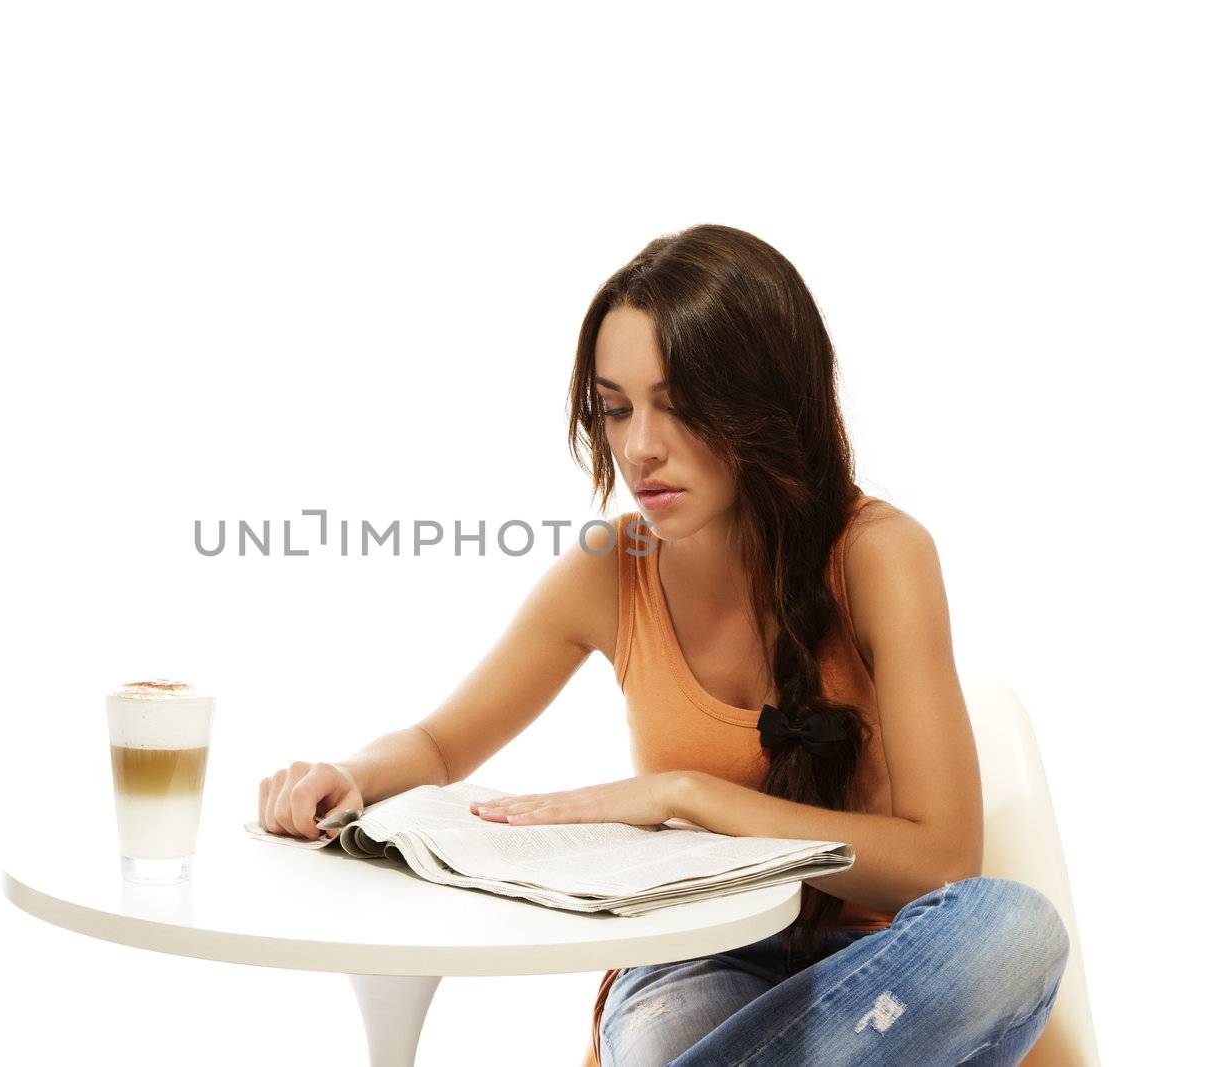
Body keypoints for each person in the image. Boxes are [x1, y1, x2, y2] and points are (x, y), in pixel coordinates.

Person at [254, 224, 1069, 1066]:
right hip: (692, 963)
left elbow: (941, 861)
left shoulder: (879, 556)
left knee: (1014, 929)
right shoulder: (612, 570)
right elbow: (439, 742)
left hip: (880, 968)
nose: (640, 445)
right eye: (616, 408)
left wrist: (688, 795)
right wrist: (349, 775)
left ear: (767, 402)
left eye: (678, 404)